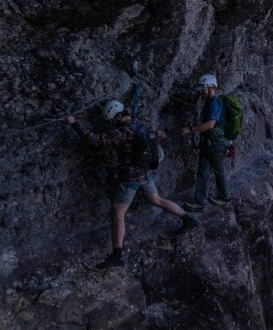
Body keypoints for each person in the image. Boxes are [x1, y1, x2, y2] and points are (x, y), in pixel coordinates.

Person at [68, 100, 200, 270]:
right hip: (145, 173)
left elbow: (97, 140)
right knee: (156, 199)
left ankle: (117, 255)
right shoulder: (141, 122)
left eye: (112, 120)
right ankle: (188, 219)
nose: (112, 124)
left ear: (118, 116)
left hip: (130, 177)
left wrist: (75, 124)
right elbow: (160, 135)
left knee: (118, 213)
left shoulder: (123, 131)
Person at [182, 73, 230, 211]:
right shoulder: (210, 101)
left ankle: (223, 197)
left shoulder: (214, 102)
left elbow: (210, 124)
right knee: (204, 172)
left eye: (202, 89)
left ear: (210, 87)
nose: (201, 92)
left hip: (215, 144)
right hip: (209, 143)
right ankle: (200, 201)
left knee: (218, 171)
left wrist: (190, 129)